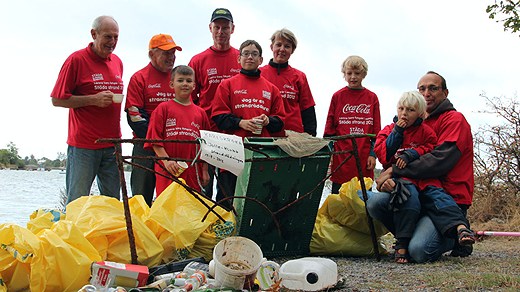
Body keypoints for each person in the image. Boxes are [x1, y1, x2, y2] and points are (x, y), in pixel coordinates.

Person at [367, 71, 475, 263]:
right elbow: (388, 154)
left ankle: (454, 236)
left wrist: (394, 170)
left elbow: (438, 161)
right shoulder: (414, 122)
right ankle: (408, 235)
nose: (427, 93)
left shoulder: (454, 120)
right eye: (422, 89)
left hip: (446, 197)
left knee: (419, 251)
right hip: (416, 192)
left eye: (433, 88)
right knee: (374, 202)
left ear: (445, 93)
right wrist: (389, 179)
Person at [51, 15, 123, 204]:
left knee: (113, 204)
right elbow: (57, 99)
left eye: (116, 37)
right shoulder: (76, 60)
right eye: (108, 37)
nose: (112, 42)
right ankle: (73, 233)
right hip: (83, 145)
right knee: (77, 202)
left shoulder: (117, 62)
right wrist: (93, 100)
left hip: (112, 145)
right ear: (94, 34)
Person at [211, 39, 286, 208]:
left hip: (260, 155)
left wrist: (268, 121)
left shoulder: (272, 89)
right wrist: (241, 123)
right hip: (231, 153)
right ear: (238, 59)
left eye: (254, 54)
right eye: (245, 53)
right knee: (226, 202)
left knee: (257, 202)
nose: (250, 57)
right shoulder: (227, 85)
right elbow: (218, 117)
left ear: (261, 60)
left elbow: (280, 122)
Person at [188, 7, 241, 199]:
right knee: (203, 186)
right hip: (206, 132)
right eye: (217, 27)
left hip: (233, 134)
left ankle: (227, 224)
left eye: (225, 27)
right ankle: (202, 225)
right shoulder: (198, 60)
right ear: (210, 28)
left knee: (228, 191)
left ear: (232, 29)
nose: (221, 32)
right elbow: (189, 98)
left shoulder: (241, 58)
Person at [125, 34, 182, 206]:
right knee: (141, 200)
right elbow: (135, 117)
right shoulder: (139, 78)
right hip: (145, 147)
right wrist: (159, 139)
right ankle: (139, 231)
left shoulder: (178, 78)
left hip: (174, 147)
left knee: (176, 200)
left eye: (173, 52)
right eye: (166, 53)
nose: (171, 57)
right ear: (151, 54)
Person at [145, 65, 210, 196]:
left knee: (190, 206)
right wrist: (167, 161)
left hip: (192, 170)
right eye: (180, 80)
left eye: (188, 81)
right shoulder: (163, 108)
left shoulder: (201, 113)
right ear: (171, 84)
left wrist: (204, 170)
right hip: (168, 169)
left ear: (194, 85)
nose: (185, 84)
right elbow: (154, 140)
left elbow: (206, 145)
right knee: (167, 204)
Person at [323, 55, 381, 194]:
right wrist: (330, 155)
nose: (353, 77)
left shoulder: (372, 97)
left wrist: (373, 154)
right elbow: (329, 129)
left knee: (362, 202)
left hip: (364, 157)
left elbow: (377, 132)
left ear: (364, 74)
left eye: (357, 73)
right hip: (341, 157)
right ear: (344, 74)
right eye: (349, 73)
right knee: (338, 199)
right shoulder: (337, 96)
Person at [260, 28, 317, 136]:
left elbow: (308, 110)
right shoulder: (260, 73)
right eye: (278, 45)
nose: (282, 49)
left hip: (293, 137)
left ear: (292, 50)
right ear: (271, 47)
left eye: (287, 46)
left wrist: (310, 138)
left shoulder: (299, 76)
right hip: (265, 135)